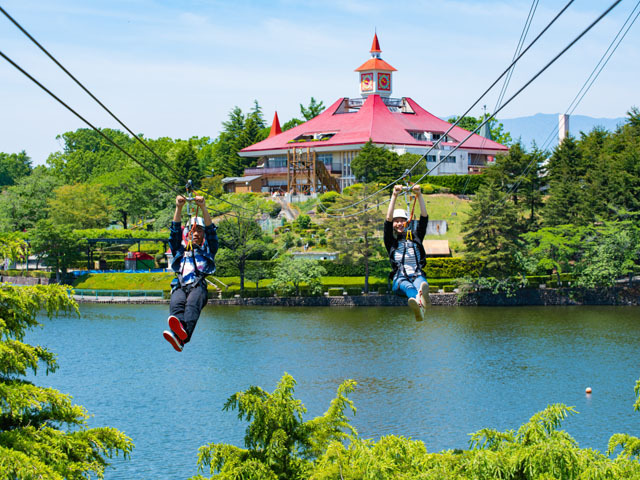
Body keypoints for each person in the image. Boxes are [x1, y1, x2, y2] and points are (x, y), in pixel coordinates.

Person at [163, 195, 218, 352]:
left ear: (203, 235)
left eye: (199, 231)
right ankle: (179, 337)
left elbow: (211, 232)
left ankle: (183, 337)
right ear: (187, 234)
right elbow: (174, 232)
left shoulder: (208, 249)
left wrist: (203, 207)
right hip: (181, 285)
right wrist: (178, 208)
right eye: (192, 231)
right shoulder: (180, 249)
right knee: (175, 305)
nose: (195, 234)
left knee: (192, 306)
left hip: (197, 286)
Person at [384, 184, 430, 321]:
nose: (399, 224)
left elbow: (424, 218)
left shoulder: (416, 237)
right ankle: (419, 300)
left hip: (417, 275)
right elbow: (387, 221)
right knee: (409, 286)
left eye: (402, 221)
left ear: (407, 223)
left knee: (421, 284)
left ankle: (420, 304)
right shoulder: (391, 241)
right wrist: (394, 195)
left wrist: (419, 195)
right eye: (396, 221)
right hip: (400, 280)